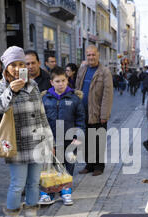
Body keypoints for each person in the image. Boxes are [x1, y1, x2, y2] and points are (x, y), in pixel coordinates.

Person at [0, 46, 54, 217]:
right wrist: (11, 90)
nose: (18, 68)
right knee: (17, 185)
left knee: (34, 183)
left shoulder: (33, 85)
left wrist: (49, 140)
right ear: (6, 67)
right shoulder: (0, 86)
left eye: (22, 64)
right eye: (14, 65)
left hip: (36, 142)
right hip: (16, 143)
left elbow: (42, 114)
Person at [40, 66, 85, 206]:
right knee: (49, 167)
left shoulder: (74, 98)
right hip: (50, 140)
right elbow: (41, 120)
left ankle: (66, 192)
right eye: (57, 81)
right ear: (51, 82)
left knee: (68, 167)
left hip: (69, 140)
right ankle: (47, 193)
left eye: (63, 80)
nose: (61, 84)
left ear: (67, 81)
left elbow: (81, 120)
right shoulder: (45, 98)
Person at [75, 45, 114, 176]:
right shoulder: (82, 70)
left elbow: (107, 95)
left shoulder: (105, 72)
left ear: (98, 55)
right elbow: (76, 89)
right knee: (86, 140)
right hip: (83, 112)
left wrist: (104, 114)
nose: (91, 57)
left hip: (97, 113)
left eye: (93, 54)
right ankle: (89, 164)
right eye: (88, 55)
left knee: (98, 141)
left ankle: (99, 166)